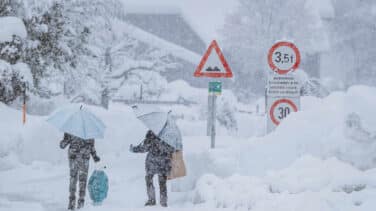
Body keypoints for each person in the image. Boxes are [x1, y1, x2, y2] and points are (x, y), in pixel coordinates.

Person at [130, 130, 174, 207]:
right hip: (163, 164)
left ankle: (151, 200)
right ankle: (163, 201)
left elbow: (143, 148)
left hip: (152, 164)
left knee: (149, 180)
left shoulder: (151, 134)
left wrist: (133, 149)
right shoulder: (167, 136)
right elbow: (172, 149)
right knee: (162, 183)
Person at [60, 133, 101, 210]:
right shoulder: (89, 129)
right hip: (84, 158)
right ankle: (81, 202)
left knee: (73, 178)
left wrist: (64, 140)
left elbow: (62, 145)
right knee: (83, 180)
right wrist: (95, 156)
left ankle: (71, 201)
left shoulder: (71, 128)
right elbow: (91, 145)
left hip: (73, 158)